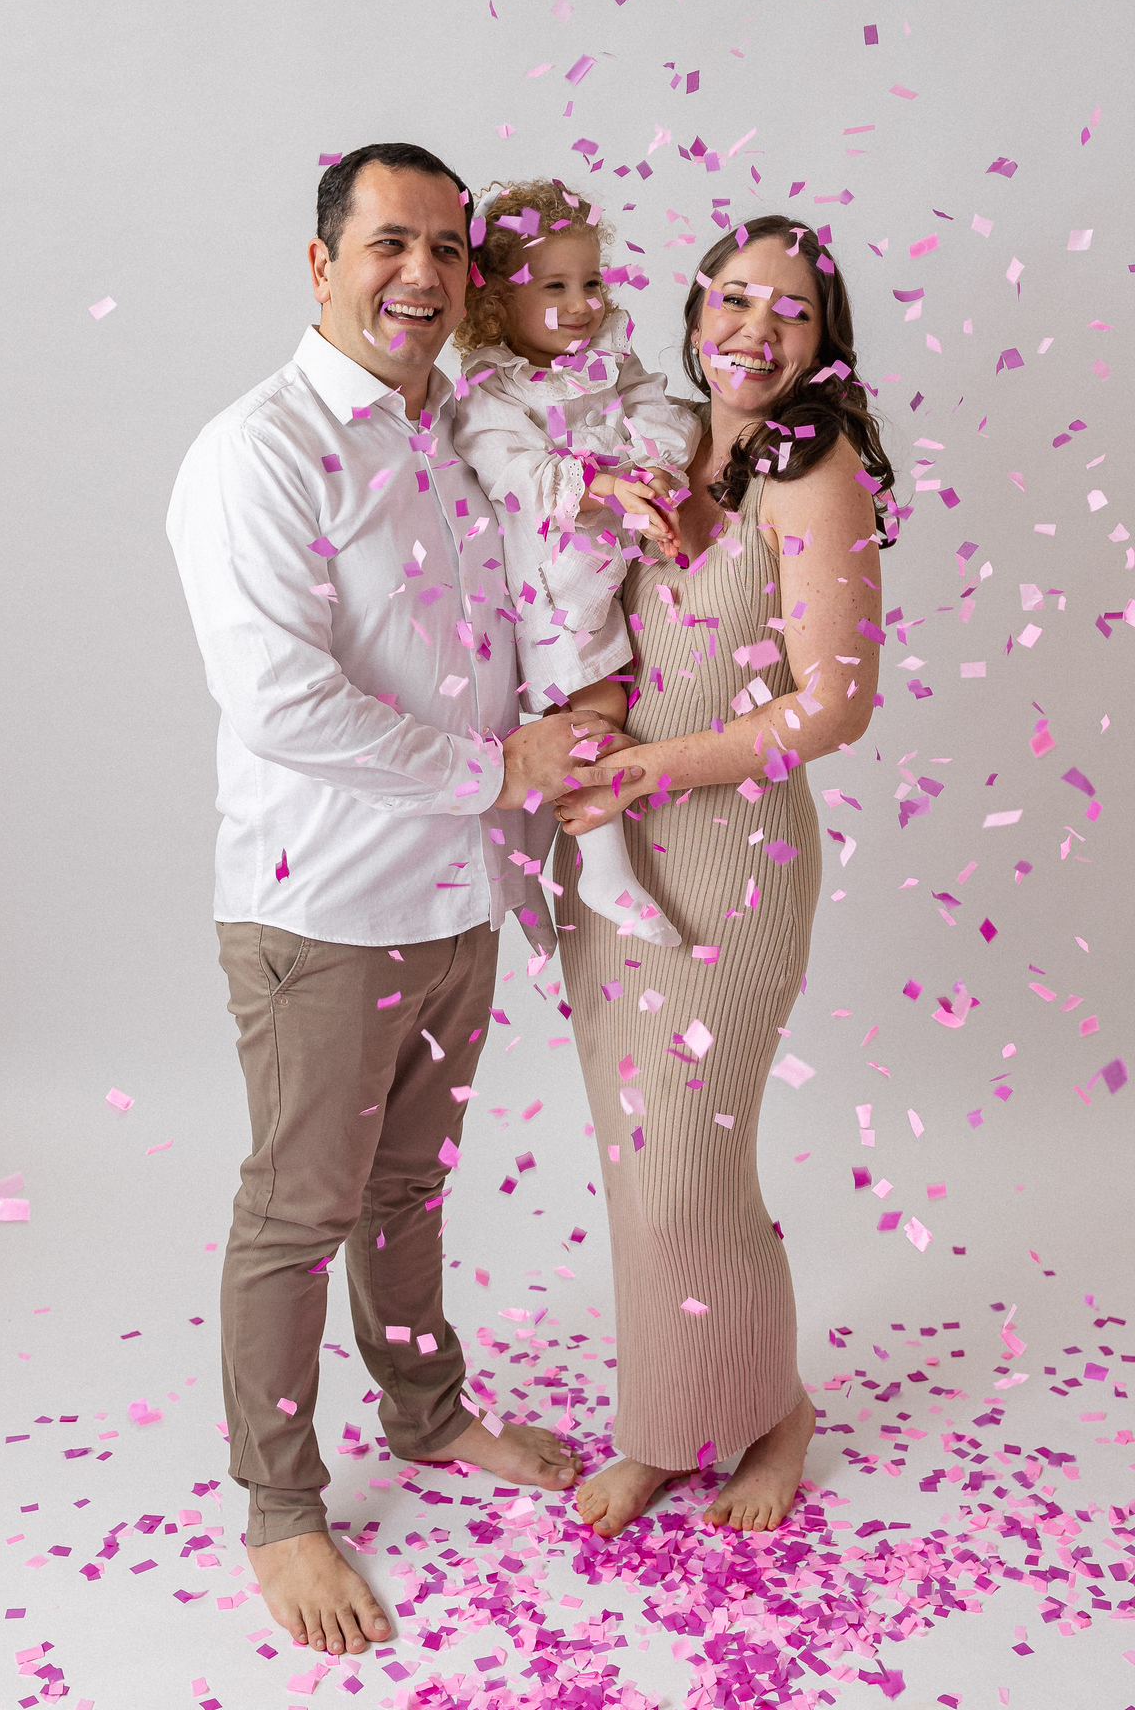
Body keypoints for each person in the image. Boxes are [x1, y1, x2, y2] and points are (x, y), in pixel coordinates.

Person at [166, 143, 644, 1658]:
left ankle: (427, 1416)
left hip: (456, 898)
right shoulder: (260, 450)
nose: (423, 275)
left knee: (407, 1188)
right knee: (299, 1210)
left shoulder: (461, 428)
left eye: (447, 247)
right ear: (323, 263)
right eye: (390, 243)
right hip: (323, 908)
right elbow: (281, 701)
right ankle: (281, 1510)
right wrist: (502, 768)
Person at [547, 214, 896, 1538]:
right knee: (640, 1164)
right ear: (694, 316)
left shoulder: (814, 473)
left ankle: (773, 1414)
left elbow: (834, 706)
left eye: (791, 310)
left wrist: (652, 768)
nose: (757, 329)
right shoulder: (660, 441)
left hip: (733, 862)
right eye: (735, 299)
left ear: (825, 341)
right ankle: (668, 1424)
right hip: (615, 853)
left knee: (694, 1166)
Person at [452, 178, 700, 948]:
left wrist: (652, 468)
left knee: (603, 706)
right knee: (593, 711)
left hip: (621, 557)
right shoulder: (492, 389)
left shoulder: (609, 359)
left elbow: (660, 411)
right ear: (499, 302)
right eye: (553, 286)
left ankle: (534, 861)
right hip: (554, 578)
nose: (582, 303)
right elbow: (516, 473)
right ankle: (602, 868)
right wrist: (602, 484)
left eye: (590, 282)